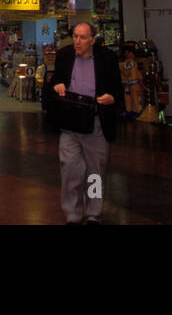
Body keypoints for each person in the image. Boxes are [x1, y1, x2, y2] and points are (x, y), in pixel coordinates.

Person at [52, 22, 124, 224]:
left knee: (95, 171)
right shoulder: (64, 55)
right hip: (70, 122)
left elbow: (117, 89)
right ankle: (72, 213)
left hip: (96, 122)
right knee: (70, 169)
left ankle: (93, 212)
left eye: (83, 37)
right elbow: (56, 79)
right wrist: (57, 85)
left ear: (93, 39)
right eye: (75, 36)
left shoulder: (107, 58)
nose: (78, 41)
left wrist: (111, 98)